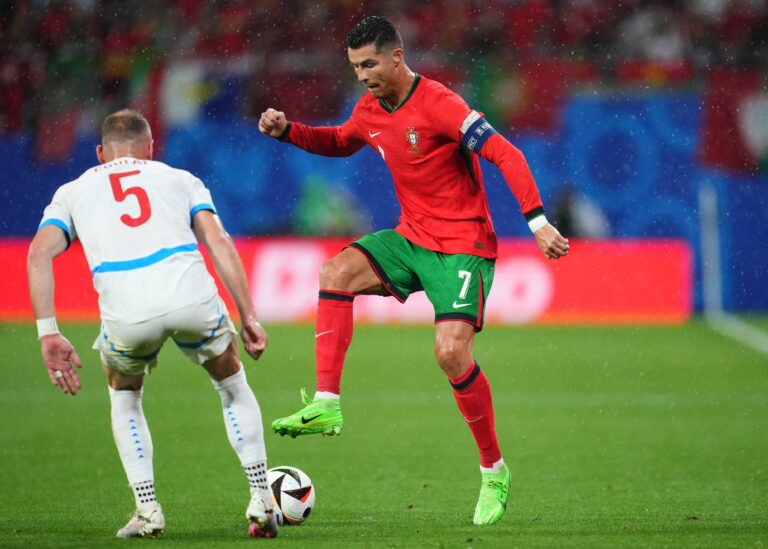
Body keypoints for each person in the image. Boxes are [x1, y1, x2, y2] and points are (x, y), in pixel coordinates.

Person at [259, 16, 569, 526]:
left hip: (463, 247)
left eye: (371, 63)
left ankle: (494, 470)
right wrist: (288, 131)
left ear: (397, 57)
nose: (362, 75)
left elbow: (505, 153)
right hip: (412, 238)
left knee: (450, 353)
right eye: (356, 66)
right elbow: (340, 140)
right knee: (334, 272)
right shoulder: (368, 108)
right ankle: (327, 402)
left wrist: (536, 222)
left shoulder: (441, 104)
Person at [27, 109, 278, 539]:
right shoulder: (179, 178)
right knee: (232, 384)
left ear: (101, 152)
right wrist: (248, 314)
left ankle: (147, 509)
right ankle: (261, 496)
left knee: (124, 395)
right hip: (190, 296)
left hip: (128, 311)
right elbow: (218, 240)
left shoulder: (72, 191)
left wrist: (48, 331)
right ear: (149, 148)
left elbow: (38, 254)